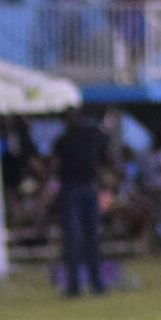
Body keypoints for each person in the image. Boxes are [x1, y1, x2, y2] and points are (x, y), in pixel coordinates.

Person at [49, 108, 109, 297]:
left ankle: (74, 285)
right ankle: (95, 283)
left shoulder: (63, 141)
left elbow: (54, 166)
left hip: (72, 189)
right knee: (91, 237)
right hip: (88, 188)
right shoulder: (93, 136)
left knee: (73, 238)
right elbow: (104, 158)